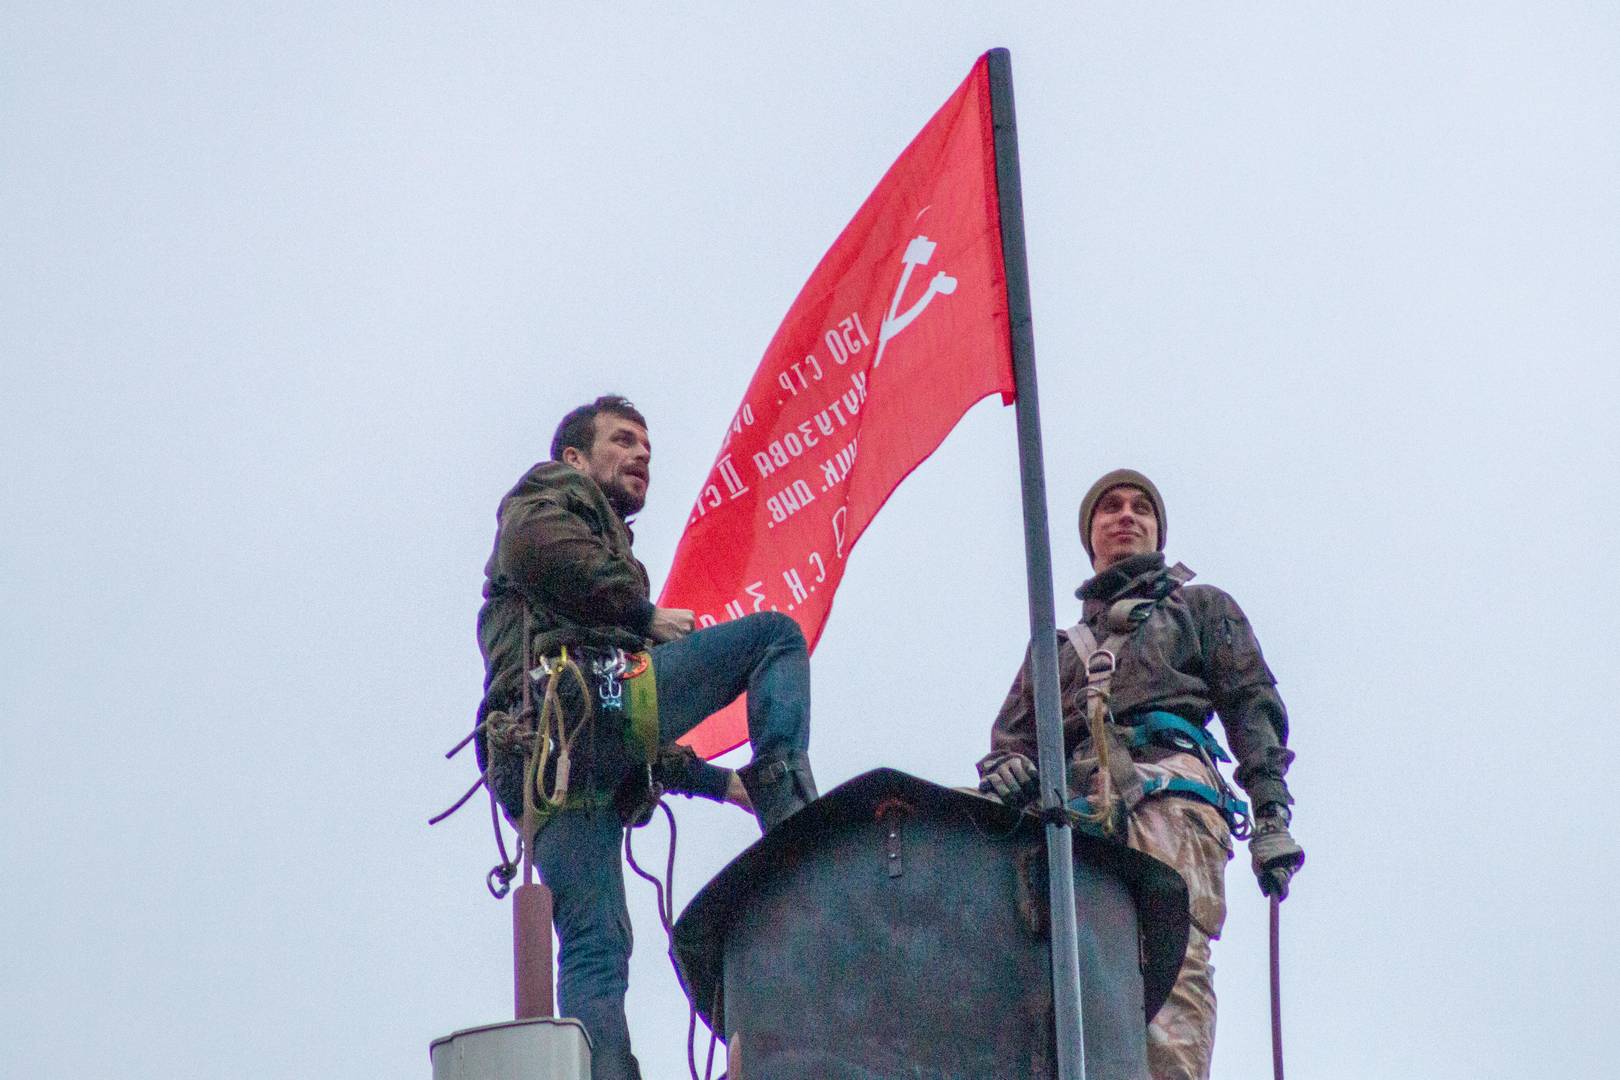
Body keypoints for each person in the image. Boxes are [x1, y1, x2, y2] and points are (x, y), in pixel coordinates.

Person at [474, 394, 817, 1080]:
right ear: (575, 456)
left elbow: (639, 741)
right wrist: (642, 613)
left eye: (648, 449)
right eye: (623, 441)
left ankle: (606, 1075)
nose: (640, 457)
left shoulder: (590, 553)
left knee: (596, 945)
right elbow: (535, 548)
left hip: (548, 764)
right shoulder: (550, 492)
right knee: (774, 638)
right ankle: (793, 811)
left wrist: (721, 785)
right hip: (576, 712)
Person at [977, 468, 1304, 1080]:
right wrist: (1008, 773)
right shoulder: (1053, 651)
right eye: (1110, 508)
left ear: (1156, 532)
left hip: (1167, 798)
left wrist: (1271, 813)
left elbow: (1251, 704)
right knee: (1055, 978)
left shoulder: (1200, 607)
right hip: (1068, 811)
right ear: (1092, 536)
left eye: (1140, 508)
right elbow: (1009, 743)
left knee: (1168, 969)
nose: (1126, 515)